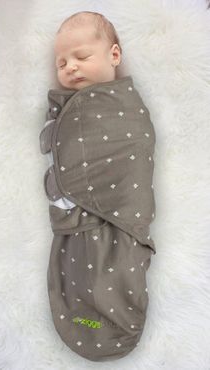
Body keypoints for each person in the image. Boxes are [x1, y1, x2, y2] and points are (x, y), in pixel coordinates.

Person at [39, 11, 156, 362]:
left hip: (121, 210)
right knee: (78, 260)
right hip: (78, 216)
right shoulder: (69, 108)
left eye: (81, 56)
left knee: (118, 260)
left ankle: (119, 322)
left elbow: (137, 143)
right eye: (61, 62)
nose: (70, 67)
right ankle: (87, 319)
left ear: (114, 56)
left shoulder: (125, 106)